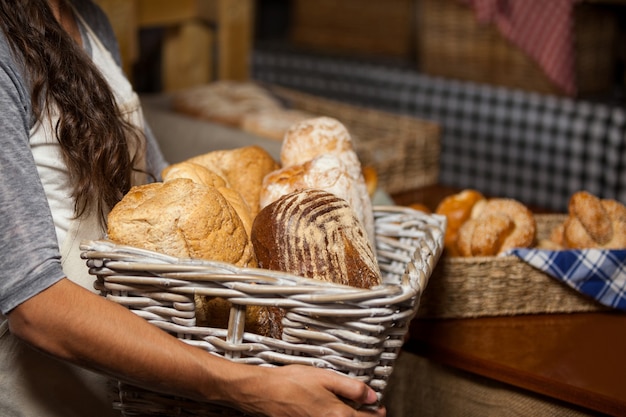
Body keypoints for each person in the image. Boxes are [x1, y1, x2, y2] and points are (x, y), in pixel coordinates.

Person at [0, 1, 387, 416]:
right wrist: (251, 386)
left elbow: (158, 184)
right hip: (50, 393)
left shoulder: (89, 20)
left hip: (143, 376)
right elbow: (35, 307)